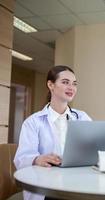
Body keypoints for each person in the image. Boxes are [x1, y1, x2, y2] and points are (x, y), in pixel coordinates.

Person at [14, 65, 91, 200]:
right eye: (65, 82)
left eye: (74, 84)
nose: (71, 87)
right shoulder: (33, 122)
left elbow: (93, 147)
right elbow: (21, 159)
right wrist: (37, 159)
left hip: (78, 183)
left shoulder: (82, 117)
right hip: (47, 188)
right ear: (51, 85)